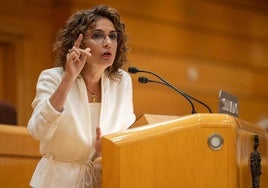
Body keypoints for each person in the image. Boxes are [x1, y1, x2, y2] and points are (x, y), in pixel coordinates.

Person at [27, 5, 136, 188]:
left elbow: (127, 132)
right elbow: (37, 130)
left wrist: (108, 150)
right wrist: (68, 79)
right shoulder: (53, 78)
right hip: (57, 182)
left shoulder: (121, 82)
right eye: (98, 35)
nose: (108, 42)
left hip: (103, 181)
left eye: (113, 36)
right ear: (78, 43)